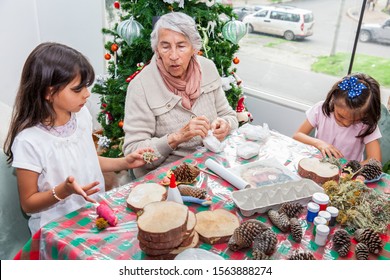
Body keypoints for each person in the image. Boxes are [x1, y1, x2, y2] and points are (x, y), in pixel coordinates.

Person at [3, 42, 152, 235]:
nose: (87, 94)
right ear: (49, 92)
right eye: (77, 89)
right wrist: (63, 191)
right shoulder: (29, 141)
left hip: (92, 215)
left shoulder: (81, 116)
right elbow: (28, 204)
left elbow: (87, 159)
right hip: (56, 229)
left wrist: (125, 162)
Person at [122, 12, 238, 178]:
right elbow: (134, 153)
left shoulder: (208, 68)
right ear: (157, 49)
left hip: (209, 165)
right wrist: (176, 138)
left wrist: (225, 125)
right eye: (165, 46)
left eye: (181, 46)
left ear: (194, 48)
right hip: (165, 176)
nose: (174, 56)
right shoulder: (141, 86)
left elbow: (229, 116)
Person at [293, 73, 382, 164]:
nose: (346, 123)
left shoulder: (366, 123)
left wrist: (351, 168)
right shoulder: (320, 109)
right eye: (341, 116)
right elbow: (297, 136)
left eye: (355, 120)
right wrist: (319, 143)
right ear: (333, 100)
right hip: (319, 165)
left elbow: (375, 160)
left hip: (347, 174)